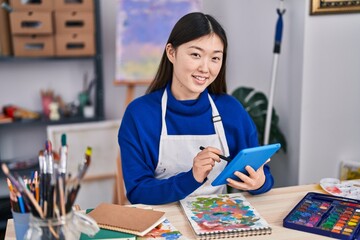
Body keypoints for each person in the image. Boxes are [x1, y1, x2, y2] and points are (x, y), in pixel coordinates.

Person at [118, 12, 274, 205]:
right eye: (195, 55)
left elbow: (261, 173)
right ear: (171, 53)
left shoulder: (231, 110)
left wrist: (259, 182)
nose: (205, 68)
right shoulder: (139, 115)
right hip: (161, 223)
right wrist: (192, 177)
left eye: (215, 58)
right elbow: (137, 192)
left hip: (218, 221)